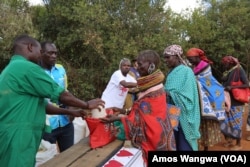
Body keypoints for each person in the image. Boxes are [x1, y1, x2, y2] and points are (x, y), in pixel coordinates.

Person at [0, 34, 104, 167]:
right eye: (40, 51)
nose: (40, 55)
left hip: (9, 135)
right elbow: (61, 95)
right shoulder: (26, 68)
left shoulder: (11, 69)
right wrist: (87, 104)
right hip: (18, 137)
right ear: (30, 47)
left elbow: (43, 105)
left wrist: (72, 112)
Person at [100, 50, 176, 165]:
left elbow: (139, 121)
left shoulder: (152, 89)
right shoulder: (152, 84)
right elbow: (142, 112)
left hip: (154, 138)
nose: (137, 67)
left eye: (140, 64)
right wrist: (123, 111)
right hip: (161, 135)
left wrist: (117, 119)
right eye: (136, 64)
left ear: (151, 66)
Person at [186, 48, 226, 151]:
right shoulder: (194, 67)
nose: (189, 61)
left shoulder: (204, 65)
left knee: (206, 123)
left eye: (190, 59)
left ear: (196, 57)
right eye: (188, 59)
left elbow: (203, 79)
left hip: (208, 92)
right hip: (199, 94)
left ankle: (206, 147)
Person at [163, 44, 201, 151]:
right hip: (172, 113)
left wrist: (168, 93)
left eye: (168, 57)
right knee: (174, 142)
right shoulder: (171, 72)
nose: (166, 60)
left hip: (184, 114)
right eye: (164, 58)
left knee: (184, 144)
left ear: (176, 56)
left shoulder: (186, 72)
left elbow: (189, 97)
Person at [40, 41, 74, 152]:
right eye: (50, 53)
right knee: (48, 160)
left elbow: (65, 91)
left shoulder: (61, 69)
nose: (54, 56)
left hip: (65, 122)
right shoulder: (36, 72)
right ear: (41, 53)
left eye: (55, 53)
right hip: (47, 125)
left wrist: (71, 107)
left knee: (69, 156)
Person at [220, 55, 249, 150]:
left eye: (225, 64)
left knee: (236, 123)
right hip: (228, 101)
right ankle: (230, 140)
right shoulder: (229, 71)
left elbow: (246, 84)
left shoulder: (239, 70)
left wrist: (232, 87)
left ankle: (238, 143)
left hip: (237, 102)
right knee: (227, 122)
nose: (224, 65)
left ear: (230, 63)